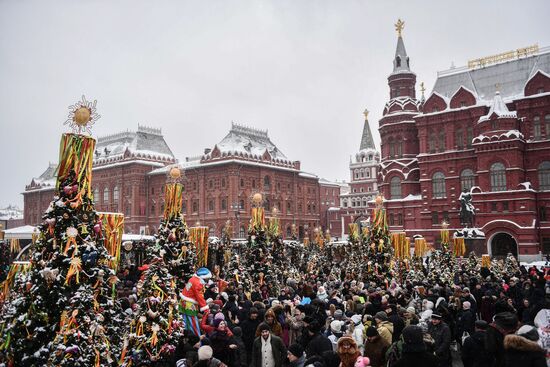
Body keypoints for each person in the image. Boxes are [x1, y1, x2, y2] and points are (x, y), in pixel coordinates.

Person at [181, 267, 212, 336]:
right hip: (190, 305)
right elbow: (199, 297)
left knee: (186, 323)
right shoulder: (198, 283)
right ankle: (196, 339)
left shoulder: (193, 279)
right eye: (208, 278)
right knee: (193, 324)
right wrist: (206, 308)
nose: (208, 280)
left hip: (184, 303)